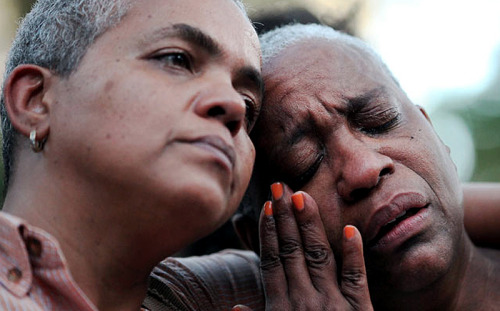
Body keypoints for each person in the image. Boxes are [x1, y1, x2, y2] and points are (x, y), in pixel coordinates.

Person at [146, 23, 500, 311]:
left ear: (434, 132)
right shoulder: (206, 296)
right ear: (257, 239)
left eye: (379, 121)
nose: (364, 169)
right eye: (306, 164)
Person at [0, 0, 263, 310]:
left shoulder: (273, 285)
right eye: (177, 59)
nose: (233, 106)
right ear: (36, 101)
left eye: (249, 104)